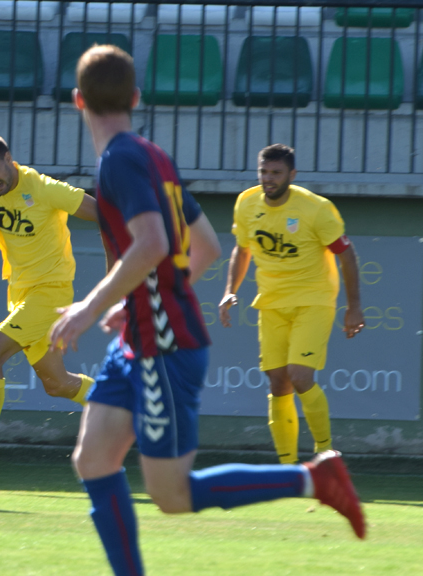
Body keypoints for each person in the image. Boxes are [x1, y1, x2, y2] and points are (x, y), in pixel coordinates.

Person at [48, 46, 366, 575]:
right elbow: (208, 247)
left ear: (77, 99)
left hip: (164, 347)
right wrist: (138, 302)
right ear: (135, 97)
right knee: (93, 459)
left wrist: (90, 305)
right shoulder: (153, 155)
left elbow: (150, 244)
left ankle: (315, 478)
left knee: (170, 494)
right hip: (143, 338)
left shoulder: (118, 162)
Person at [0, 135, 98, 481]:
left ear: (9, 158)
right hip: (20, 294)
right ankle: (123, 404)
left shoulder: (42, 187)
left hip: (51, 293)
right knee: (56, 383)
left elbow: (98, 211)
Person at [219, 144, 364, 464]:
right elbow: (242, 249)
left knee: (299, 376)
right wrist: (230, 290)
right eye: (264, 172)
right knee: (277, 381)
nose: (268, 179)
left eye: (276, 173)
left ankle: (325, 453)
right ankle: (287, 467)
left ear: (292, 175)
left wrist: (353, 306)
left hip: (313, 300)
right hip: (270, 303)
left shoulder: (316, 208)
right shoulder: (246, 203)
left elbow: (346, 254)